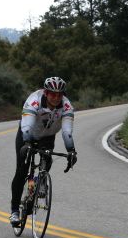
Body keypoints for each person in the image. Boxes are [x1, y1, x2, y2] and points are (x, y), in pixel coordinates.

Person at [9, 76, 77, 225]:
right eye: (52, 94)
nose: (56, 98)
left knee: (47, 158)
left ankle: (40, 182)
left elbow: (66, 131)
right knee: (22, 170)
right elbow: (26, 124)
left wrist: (71, 150)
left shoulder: (66, 106)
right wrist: (26, 143)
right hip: (27, 134)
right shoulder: (34, 100)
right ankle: (14, 211)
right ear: (46, 93)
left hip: (47, 136)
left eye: (60, 94)